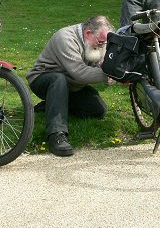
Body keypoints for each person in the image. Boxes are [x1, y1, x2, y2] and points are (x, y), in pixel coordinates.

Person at [26, 15, 114, 157]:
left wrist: (118, 72)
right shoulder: (65, 37)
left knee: (98, 110)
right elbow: (79, 72)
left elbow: (101, 64)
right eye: (100, 42)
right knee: (59, 79)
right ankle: (56, 135)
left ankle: (52, 104)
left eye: (105, 43)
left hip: (71, 86)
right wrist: (110, 75)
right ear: (88, 33)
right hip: (43, 79)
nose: (102, 45)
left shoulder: (95, 41)